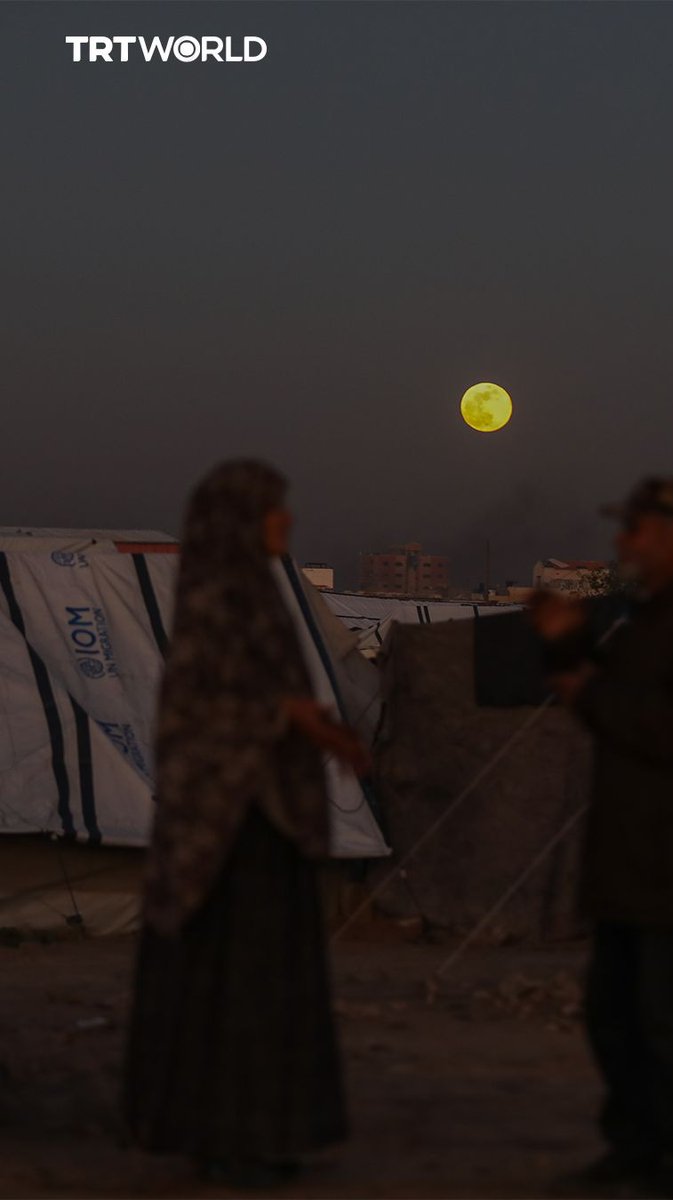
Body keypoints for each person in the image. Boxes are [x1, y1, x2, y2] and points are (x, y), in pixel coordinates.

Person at [123, 460, 368, 1188]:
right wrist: (289, 718)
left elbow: (275, 698)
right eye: (272, 511)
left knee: (272, 987)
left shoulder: (259, 598)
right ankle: (224, 1137)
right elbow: (196, 716)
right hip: (225, 831)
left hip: (270, 824)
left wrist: (312, 725)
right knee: (230, 988)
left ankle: (270, 1132)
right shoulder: (215, 602)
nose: (285, 522)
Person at [532, 478, 673, 1200]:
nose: (622, 543)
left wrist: (594, 694)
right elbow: (626, 705)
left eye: (634, 530)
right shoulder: (655, 620)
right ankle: (637, 1147)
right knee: (617, 1014)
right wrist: (568, 646)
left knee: (669, 1021)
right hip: (636, 858)